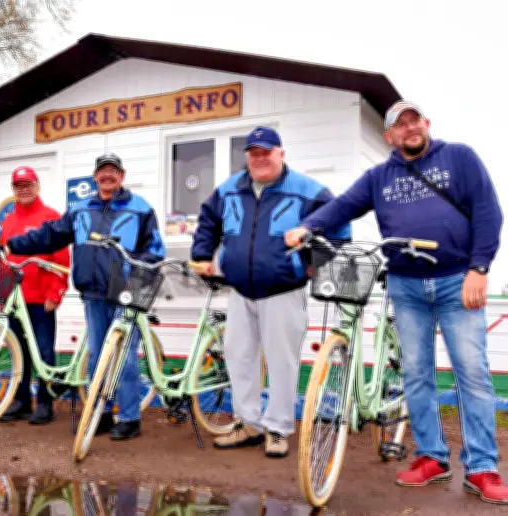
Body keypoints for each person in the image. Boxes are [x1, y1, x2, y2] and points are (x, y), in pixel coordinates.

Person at [284, 101, 508, 503]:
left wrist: (479, 267)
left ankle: (481, 467)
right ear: (389, 137)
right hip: (405, 285)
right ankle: (432, 458)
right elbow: (343, 205)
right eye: (399, 125)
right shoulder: (378, 177)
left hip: (458, 280)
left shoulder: (459, 157)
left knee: (471, 373)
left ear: (426, 124)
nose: (409, 129)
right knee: (416, 375)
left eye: (414, 121)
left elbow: (489, 212)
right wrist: (307, 226)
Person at [190, 126, 351, 458]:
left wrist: (313, 265)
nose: (260, 158)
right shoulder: (229, 189)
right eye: (254, 153)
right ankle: (248, 423)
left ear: (281, 153)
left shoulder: (309, 191)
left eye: (266, 152)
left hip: (282, 290)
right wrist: (202, 256)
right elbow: (208, 221)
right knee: (239, 357)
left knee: (282, 361)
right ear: (247, 157)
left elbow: (338, 229)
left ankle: (278, 429)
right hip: (239, 291)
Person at [6, 152, 165, 440]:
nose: (107, 175)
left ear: (122, 175)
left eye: (113, 171)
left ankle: (129, 418)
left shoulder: (140, 209)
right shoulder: (80, 209)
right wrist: (12, 245)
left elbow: (154, 251)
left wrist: (136, 286)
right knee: (96, 357)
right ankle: (101, 412)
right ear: (95, 177)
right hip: (92, 293)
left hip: (125, 293)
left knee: (125, 358)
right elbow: (51, 234)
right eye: (102, 171)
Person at [0, 166, 70, 425]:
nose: (24, 189)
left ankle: (45, 403)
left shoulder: (51, 217)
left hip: (42, 300)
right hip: (15, 302)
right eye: (19, 186)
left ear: (37, 186)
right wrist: (2, 296)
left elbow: (62, 261)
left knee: (43, 353)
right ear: (13, 190)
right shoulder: (7, 221)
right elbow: (5, 262)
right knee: (18, 352)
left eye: (28, 184)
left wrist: (55, 293)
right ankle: (20, 401)